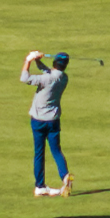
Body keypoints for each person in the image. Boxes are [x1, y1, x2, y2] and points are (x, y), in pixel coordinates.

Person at [20, 50, 72, 196]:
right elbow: (49, 72)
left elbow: (24, 78)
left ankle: (40, 186)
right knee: (56, 150)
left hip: (38, 121)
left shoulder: (46, 79)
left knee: (39, 153)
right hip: (53, 120)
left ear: (55, 62)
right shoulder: (64, 78)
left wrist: (28, 60)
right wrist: (38, 61)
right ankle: (65, 175)